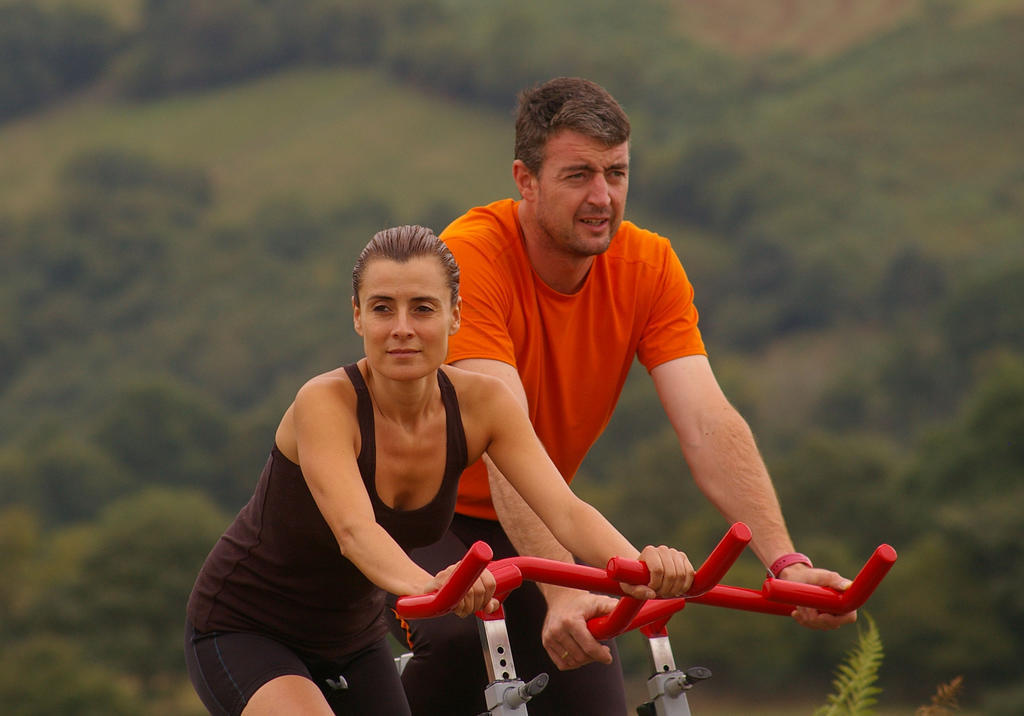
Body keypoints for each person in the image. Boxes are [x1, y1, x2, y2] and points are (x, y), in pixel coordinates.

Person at [389, 78, 858, 715]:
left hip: (538, 516)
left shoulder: (649, 266)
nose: (602, 197)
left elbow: (708, 422)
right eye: (578, 174)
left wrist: (786, 563)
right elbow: (503, 446)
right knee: (452, 640)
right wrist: (560, 591)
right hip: (417, 515)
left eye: (616, 173)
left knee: (592, 674)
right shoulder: (468, 260)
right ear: (524, 180)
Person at [184, 225, 696, 716]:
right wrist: (431, 585)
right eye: (383, 308)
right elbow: (356, 532)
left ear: (455, 316)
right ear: (358, 316)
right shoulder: (326, 403)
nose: (402, 328)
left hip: (352, 640)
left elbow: (563, 509)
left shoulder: (483, 403)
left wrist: (643, 567)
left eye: (423, 308)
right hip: (246, 628)